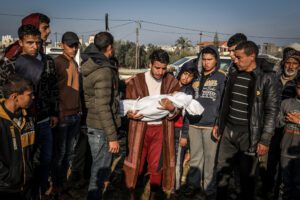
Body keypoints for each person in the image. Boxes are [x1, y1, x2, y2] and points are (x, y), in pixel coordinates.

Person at [213, 41, 279, 200]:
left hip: (249, 135)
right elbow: (225, 102)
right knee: (221, 173)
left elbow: (271, 111)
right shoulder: (233, 72)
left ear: (252, 56)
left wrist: (264, 139)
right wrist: (219, 124)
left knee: (246, 178)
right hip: (228, 131)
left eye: (239, 57)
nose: (235, 60)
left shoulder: (267, 78)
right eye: (234, 56)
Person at [0, 22, 59, 198]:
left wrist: (54, 112)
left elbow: (53, 88)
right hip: (18, 125)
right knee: (19, 162)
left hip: (43, 120)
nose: (35, 46)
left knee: (45, 160)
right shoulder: (10, 65)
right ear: (20, 43)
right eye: (30, 43)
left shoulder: (47, 61)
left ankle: (38, 192)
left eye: (38, 43)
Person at [123, 49, 180, 199]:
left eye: (164, 68)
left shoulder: (172, 82)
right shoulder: (136, 81)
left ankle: (154, 193)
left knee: (156, 164)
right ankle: (131, 192)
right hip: (139, 128)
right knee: (136, 161)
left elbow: (177, 110)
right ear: (150, 64)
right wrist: (130, 113)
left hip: (161, 129)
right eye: (157, 67)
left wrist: (172, 108)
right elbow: (128, 104)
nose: (160, 72)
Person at [81, 32, 121, 200]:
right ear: (109, 47)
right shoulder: (103, 71)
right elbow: (103, 106)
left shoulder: (92, 63)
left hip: (95, 124)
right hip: (101, 128)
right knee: (100, 170)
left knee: (98, 168)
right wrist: (112, 137)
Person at [183, 46, 226, 199]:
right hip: (194, 125)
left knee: (210, 160)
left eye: (210, 59)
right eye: (204, 59)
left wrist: (218, 124)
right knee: (195, 158)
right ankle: (193, 185)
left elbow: (223, 104)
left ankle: (209, 189)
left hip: (211, 127)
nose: (207, 63)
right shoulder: (196, 77)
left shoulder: (221, 78)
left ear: (216, 60)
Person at [52, 32, 82, 194]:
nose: (74, 48)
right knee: (60, 153)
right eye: (71, 45)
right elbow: (53, 91)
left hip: (75, 115)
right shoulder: (57, 62)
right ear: (62, 44)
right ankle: (56, 185)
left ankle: (62, 183)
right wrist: (58, 112)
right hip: (63, 116)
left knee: (69, 153)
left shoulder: (75, 64)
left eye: (76, 45)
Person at [0, 75, 36, 200]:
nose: (33, 97)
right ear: (14, 97)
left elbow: (36, 148)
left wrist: (32, 170)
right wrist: (9, 177)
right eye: (29, 94)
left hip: (27, 185)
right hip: (6, 188)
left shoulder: (29, 117)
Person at [174, 61, 198, 191]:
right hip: (167, 129)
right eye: (185, 74)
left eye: (190, 76)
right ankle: (167, 184)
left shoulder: (189, 91)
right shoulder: (171, 84)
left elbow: (188, 116)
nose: (186, 78)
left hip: (179, 130)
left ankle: (176, 187)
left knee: (178, 160)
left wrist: (184, 135)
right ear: (181, 72)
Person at [277, 76, 300, 200]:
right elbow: (277, 122)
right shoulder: (286, 103)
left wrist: (298, 120)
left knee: (297, 186)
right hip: (285, 151)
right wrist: (284, 118)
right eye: (299, 88)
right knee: (284, 185)